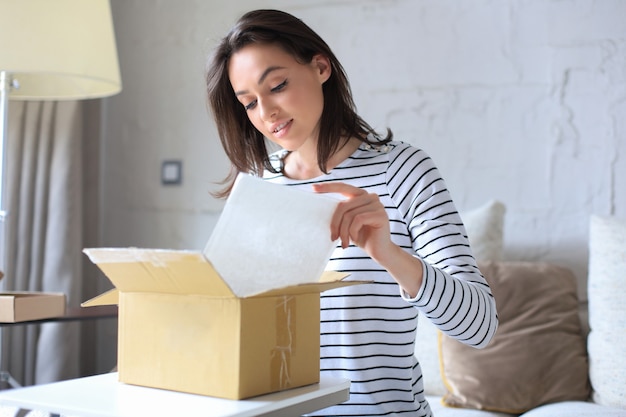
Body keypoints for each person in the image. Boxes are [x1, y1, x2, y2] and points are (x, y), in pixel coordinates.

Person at [206, 9, 498, 417]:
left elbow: (480, 327)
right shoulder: (259, 186)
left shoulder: (404, 172)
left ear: (321, 67)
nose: (266, 112)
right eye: (250, 103)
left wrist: (389, 253)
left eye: (277, 85)